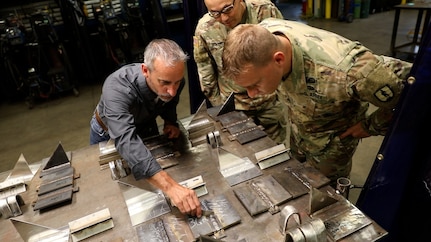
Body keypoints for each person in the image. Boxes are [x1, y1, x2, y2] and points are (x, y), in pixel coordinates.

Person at [221, 18, 412, 185]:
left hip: (332, 144)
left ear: (278, 60)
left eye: (255, 84)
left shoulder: (348, 71)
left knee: (328, 197)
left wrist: (371, 125)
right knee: (298, 178)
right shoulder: (266, 34)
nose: (252, 94)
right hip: (300, 130)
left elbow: (413, 99)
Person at [90, 39, 202, 217]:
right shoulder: (116, 88)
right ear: (145, 71)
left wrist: (170, 121)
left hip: (145, 123)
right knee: (114, 192)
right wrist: (172, 187)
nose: (172, 90)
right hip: (108, 132)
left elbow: (171, 102)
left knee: (150, 189)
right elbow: (126, 140)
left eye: (177, 82)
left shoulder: (174, 79)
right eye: (165, 83)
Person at [193, 0, 287, 144]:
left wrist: (282, 96)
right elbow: (205, 71)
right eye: (215, 13)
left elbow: (283, 55)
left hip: (270, 101)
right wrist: (220, 105)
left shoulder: (265, 12)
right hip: (235, 106)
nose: (224, 18)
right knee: (243, 152)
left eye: (227, 9)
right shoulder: (205, 29)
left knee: (278, 150)